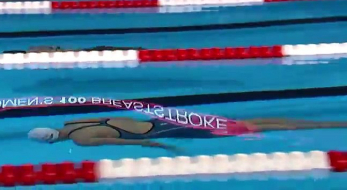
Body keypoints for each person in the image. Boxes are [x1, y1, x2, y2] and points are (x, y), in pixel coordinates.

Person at [29, 117, 347, 151]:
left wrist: (163, 148)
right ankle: (334, 124)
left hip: (170, 128)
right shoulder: (73, 123)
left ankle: (329, 128)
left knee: (253, 128)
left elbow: (118, 140)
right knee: (255, 119)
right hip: (165, 118)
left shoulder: (82, 140)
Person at [3, 46, 145, 54]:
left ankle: (137, 50)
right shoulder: (33, 49)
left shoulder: (34, 51)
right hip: (79, 52)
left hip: (77, 53)